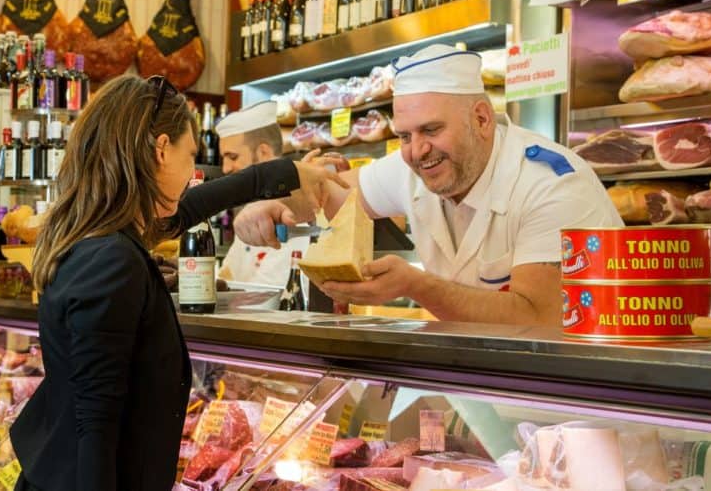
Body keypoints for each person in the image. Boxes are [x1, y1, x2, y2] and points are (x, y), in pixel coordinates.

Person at [9, 75, 345, 490]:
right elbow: (95, 424)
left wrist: (284, 173)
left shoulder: (98, 237)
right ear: (161, 150)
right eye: (191, 155)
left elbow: (182, 213)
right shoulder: (112, 260)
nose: (194, 172)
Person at [234, 44, 622, 326]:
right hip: (492, 388)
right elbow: (328, 195)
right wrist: (271, 204)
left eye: (432, 130)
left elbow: (536, 316)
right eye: (404, 136)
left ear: (482, 119)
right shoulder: (414, 166)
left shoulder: (550, 184)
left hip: (586, 407)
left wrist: (416, 285)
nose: (417, 151)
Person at [215, 100, 310, 287]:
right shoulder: (251, 212)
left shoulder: (294, 214)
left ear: (264, 152)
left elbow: (267, 293)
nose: (225, 168)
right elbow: (226, 279)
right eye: (223, 158)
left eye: (232, 157)